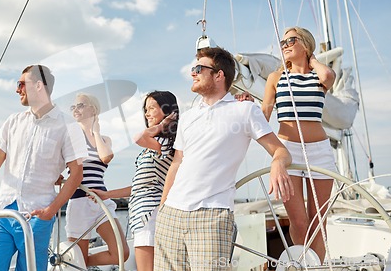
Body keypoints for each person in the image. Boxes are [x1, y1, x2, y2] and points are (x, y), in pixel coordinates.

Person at [154, 46, 293, 271]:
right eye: (193, 68)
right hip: (170, 215)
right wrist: (162, 208)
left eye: (199, 68)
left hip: (211, 216)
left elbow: (281, 151)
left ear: (219, 75)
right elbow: (177, 163)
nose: (193, 73)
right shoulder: (188, 117)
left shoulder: (245, 111)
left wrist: (277, 163)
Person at [0, 65, 88, 271]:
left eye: (21, 84)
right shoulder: (13, 121)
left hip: (38, 216)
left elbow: (76, 174)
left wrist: (50, 211)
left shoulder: (68, 126)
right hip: (2, 213)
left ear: (39, 86)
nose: (17, 90)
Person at [261, 26, 336, 262]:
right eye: (282, 43)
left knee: (318, 221)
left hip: (320, 152)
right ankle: (302, 264)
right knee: (300, 221)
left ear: (305, 43)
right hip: (288, 152)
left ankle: (317, 266)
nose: (284, 45)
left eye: (290, 41)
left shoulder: (319, 76)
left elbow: (328, 77)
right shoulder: (276, 77)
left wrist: (311, 59)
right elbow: (263, 112)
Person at [92, 90, 179, 271]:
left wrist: (162, 125)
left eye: (152, 108)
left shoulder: (164, 143)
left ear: (166, 110)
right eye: (145, 109)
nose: (147, 113)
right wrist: (108, 194)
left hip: (150, 214)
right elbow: (139, 187)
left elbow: (138, 137)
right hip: (143, 214)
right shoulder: (154, 145)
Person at [64, 93, 129, 268]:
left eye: (80, 105)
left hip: (101, 201)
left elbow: (106, 156)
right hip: (78, 202)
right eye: (73, 107)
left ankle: (78, 263)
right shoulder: (69, 138)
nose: (75, 109)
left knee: (122, 253)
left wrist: (95, 132)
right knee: (79, 260)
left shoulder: (104, 138)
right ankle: (78, 263)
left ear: (93, 108)